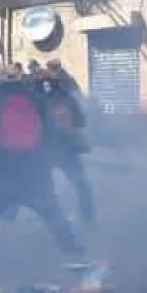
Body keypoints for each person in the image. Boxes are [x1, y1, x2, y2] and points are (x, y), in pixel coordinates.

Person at [0, 69, 82, 275]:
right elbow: (50, 133)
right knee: (52, 211)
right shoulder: (37, 100)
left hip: (4, 167)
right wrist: (47, 161)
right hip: (34, 166)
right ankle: (73, 254)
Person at [37, 68, 95, 227]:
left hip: (47, 148)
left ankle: (54, 219)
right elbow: (80, 121)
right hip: (68, 148)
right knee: (81, 184)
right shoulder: (68, 99)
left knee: (40, 185)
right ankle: (88, 218)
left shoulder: (39, 100)